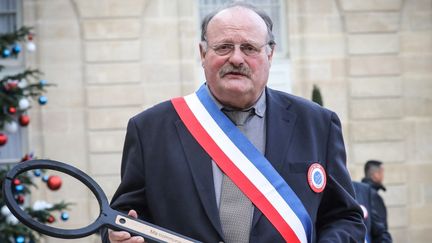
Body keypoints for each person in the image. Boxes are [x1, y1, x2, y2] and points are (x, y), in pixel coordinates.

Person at [102, 2, 365, 242]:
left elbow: (345, 218)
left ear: (270, 55)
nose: (237, 58)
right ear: (203, 53)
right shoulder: (150, 129)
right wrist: (118, 237)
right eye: (224, 47)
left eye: (249, 48)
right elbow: (122, 217)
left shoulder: (317, 124)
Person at [362, 160, 392, 241]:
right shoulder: (372, 195)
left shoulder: (362, 192)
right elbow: (380, 229)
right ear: (375, 175)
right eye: (382, 172)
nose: (383, 176)